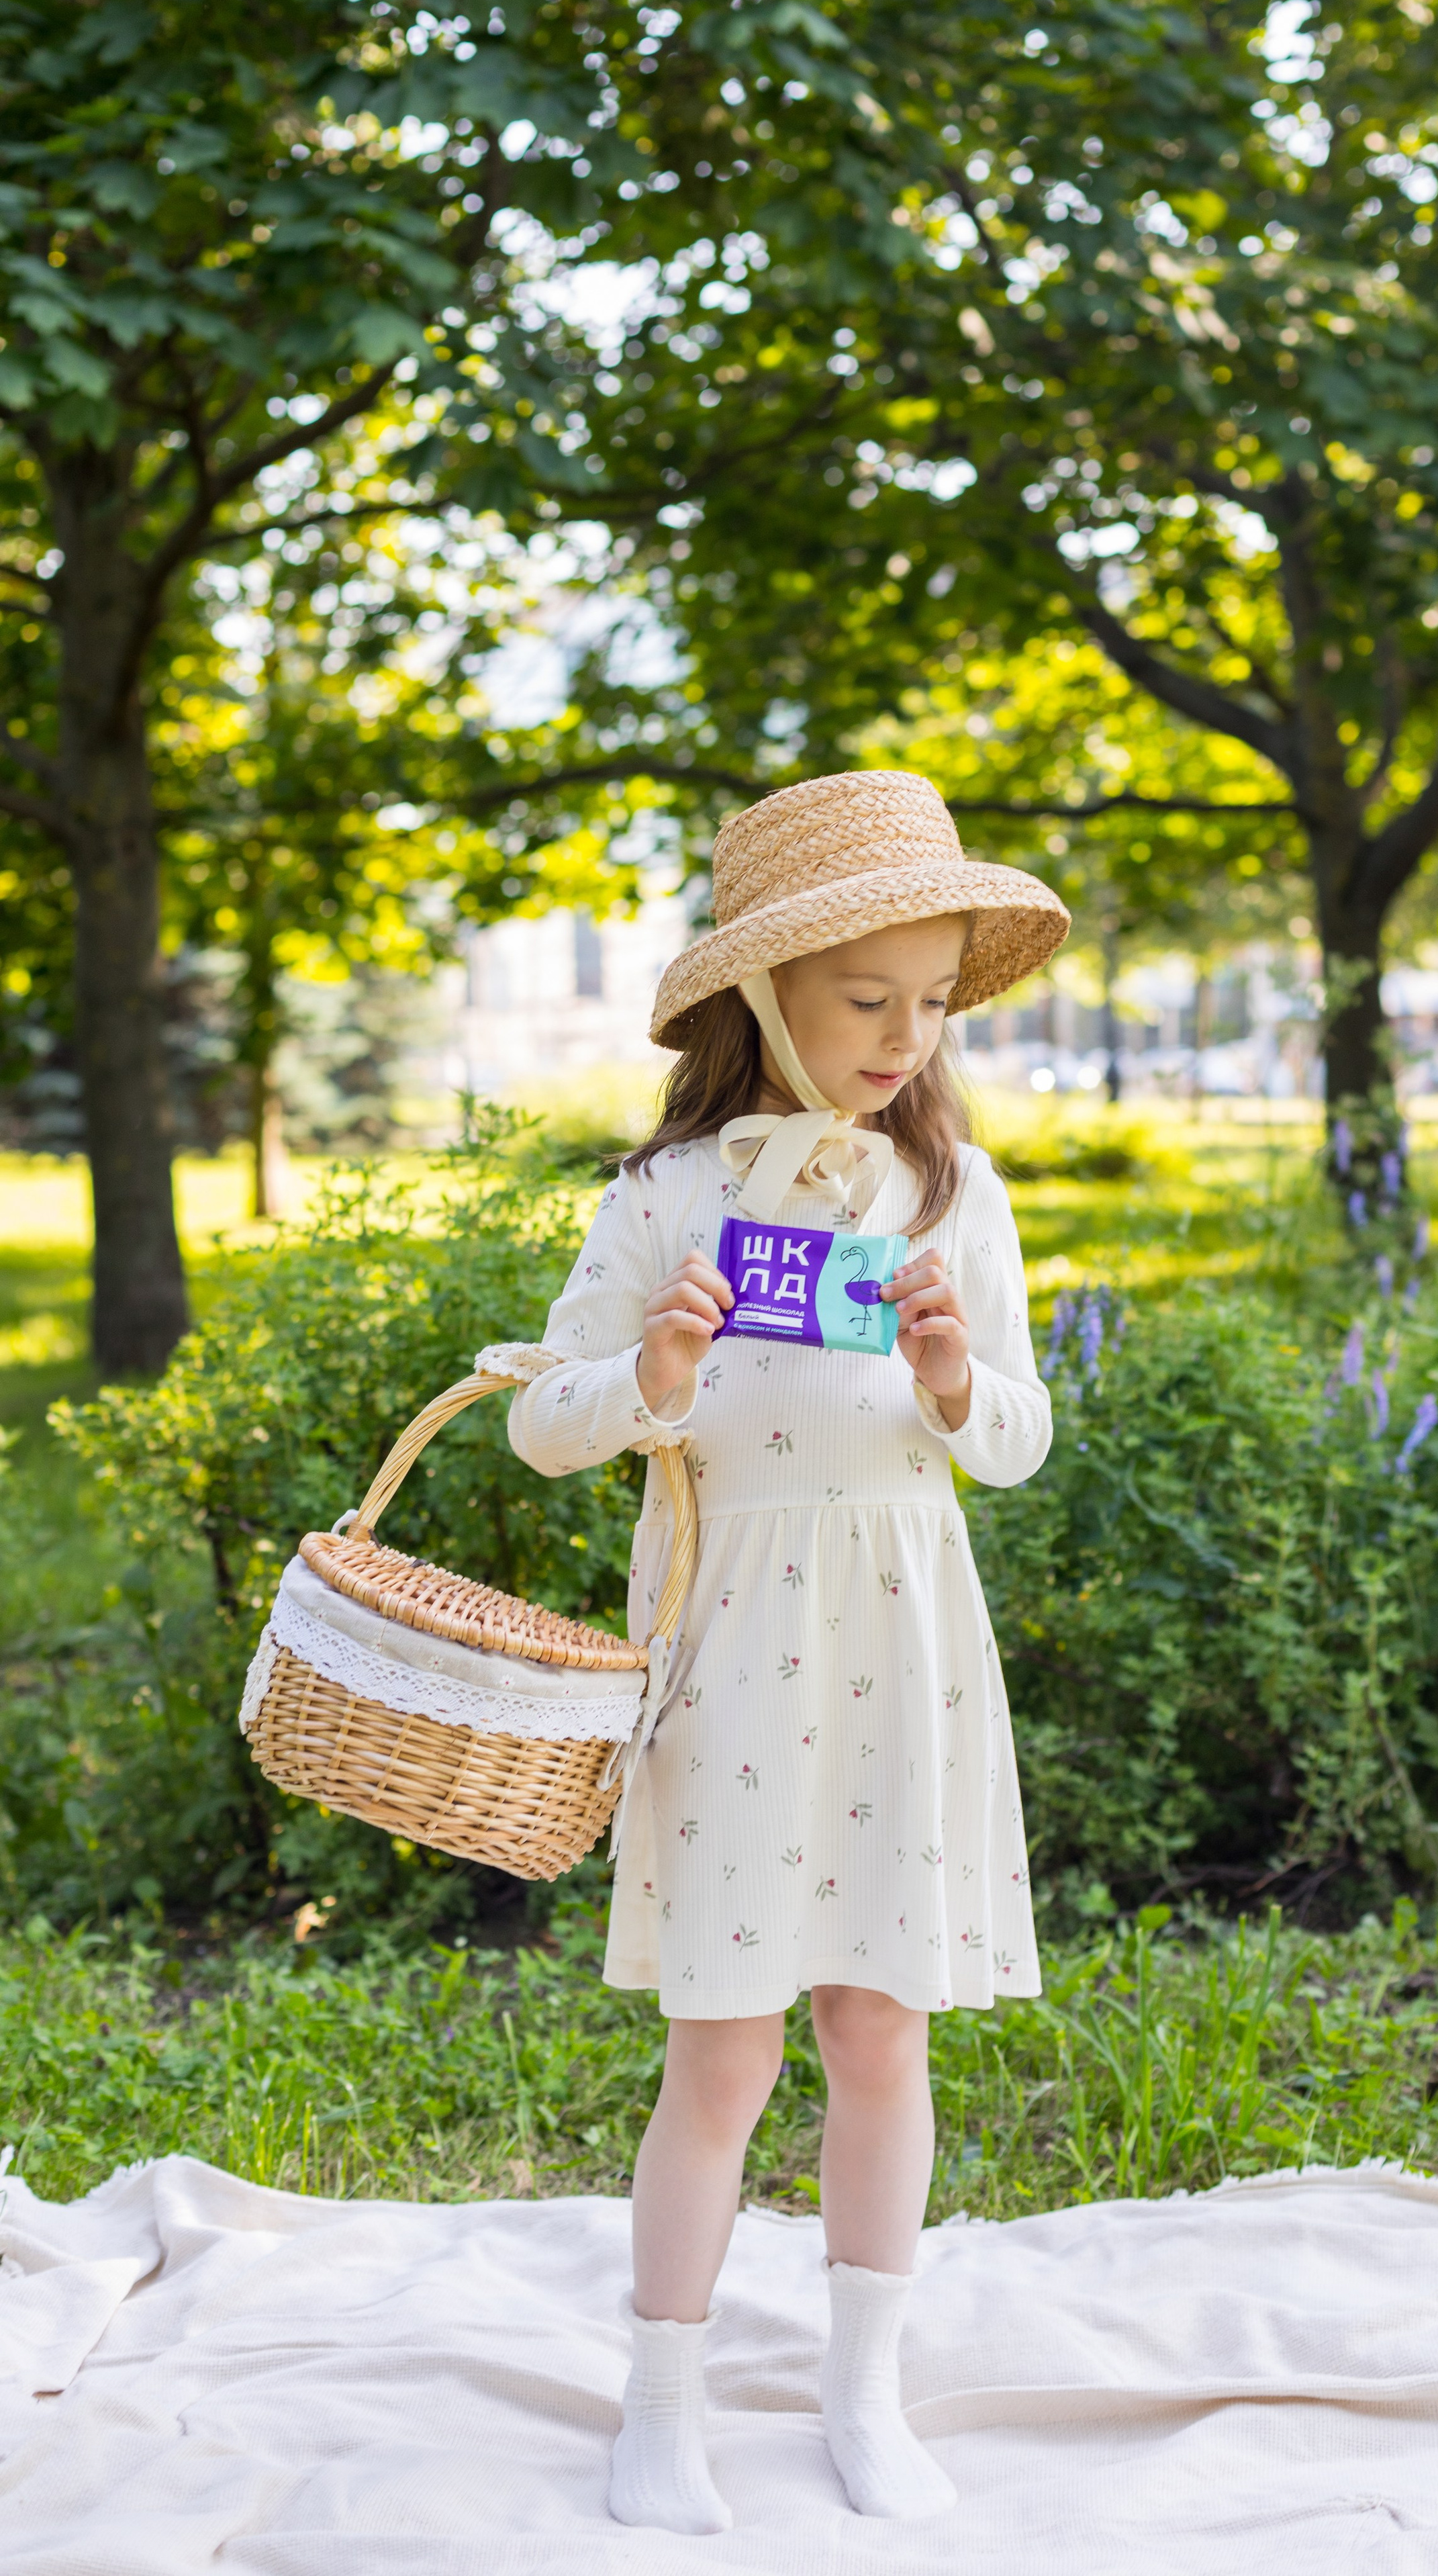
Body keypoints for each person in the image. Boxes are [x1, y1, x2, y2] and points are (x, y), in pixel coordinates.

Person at [507, 769, 1069, 2532]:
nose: (907, 1035)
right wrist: (653, 1381)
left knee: (881, 2024)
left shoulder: (949, 1187)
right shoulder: (670, 1195)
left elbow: (1021, 1438)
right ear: (765, 993)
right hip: (734, 1640)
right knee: (726, 2043)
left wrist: (960, 1375)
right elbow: (540, 1423)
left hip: (902, 1629)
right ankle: (660, 2403)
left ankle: (863, 2394)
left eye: (932, 1002)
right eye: (865, 997)